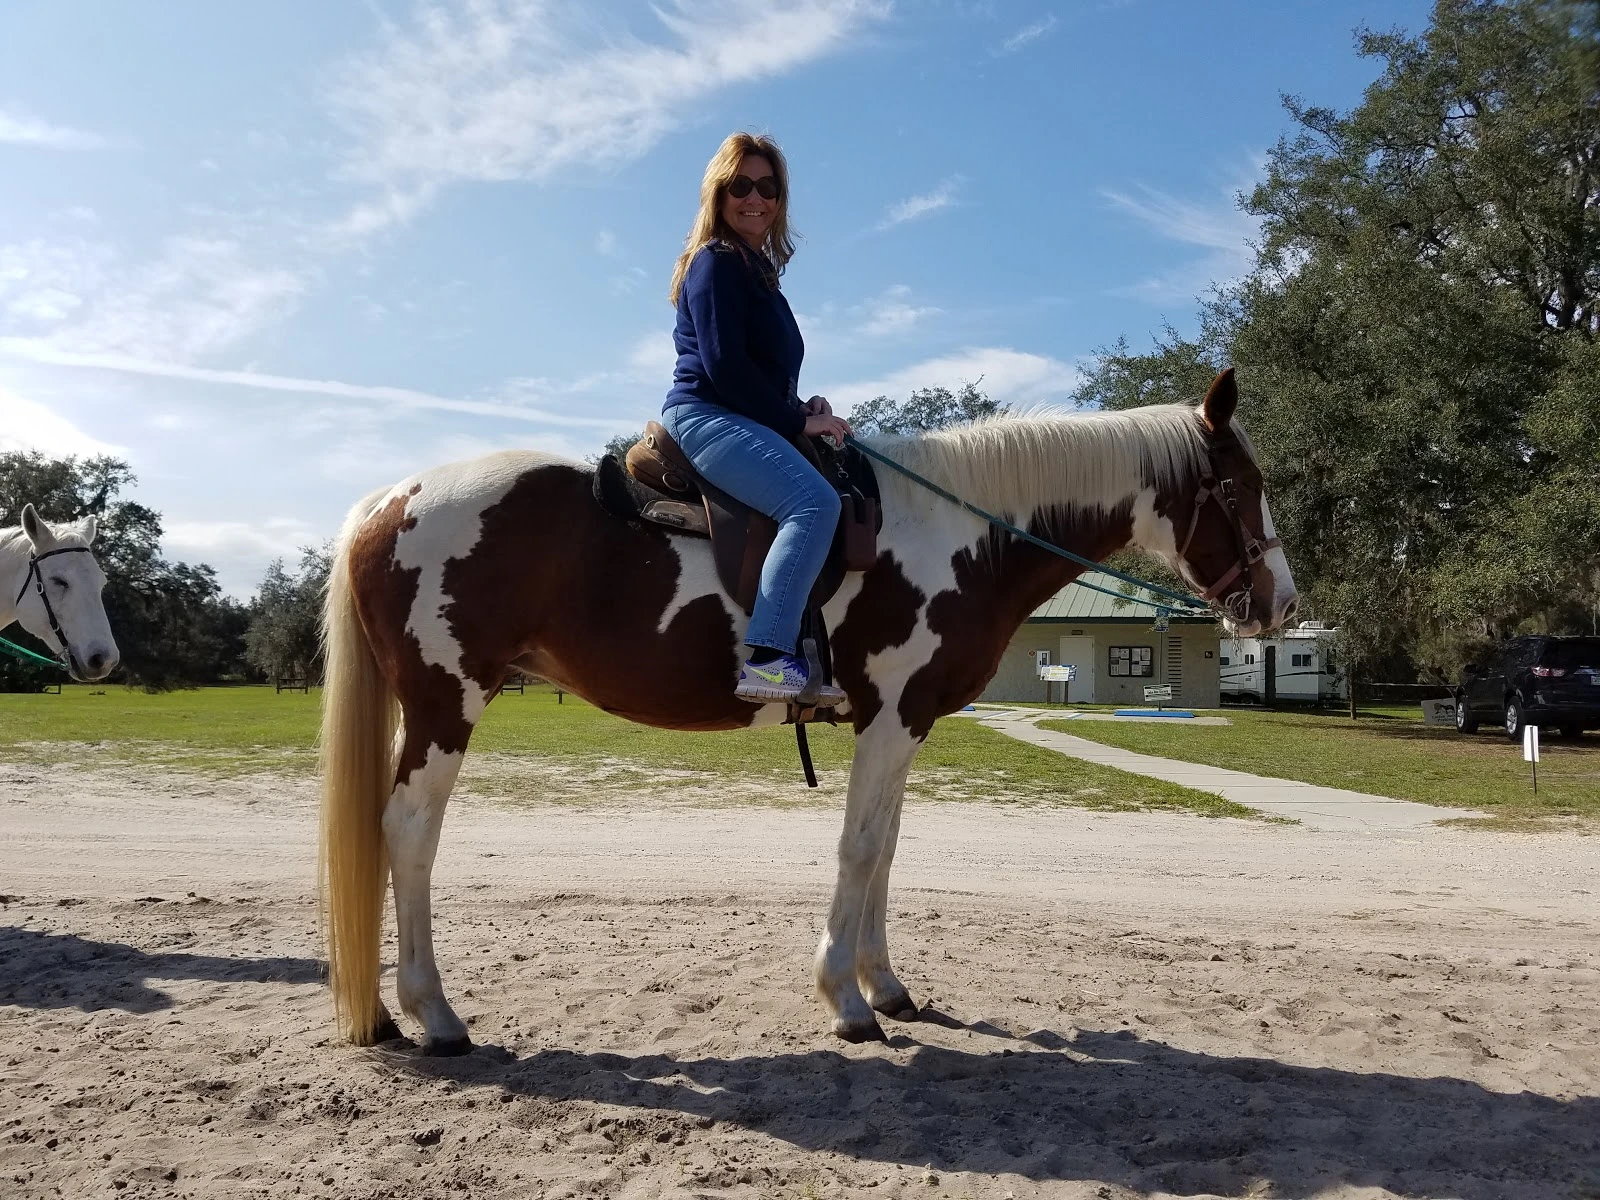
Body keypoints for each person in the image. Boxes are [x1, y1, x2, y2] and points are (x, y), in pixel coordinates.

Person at [663, 132, 851, 706]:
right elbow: (725, 367)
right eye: (741, 184)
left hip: (742, 415)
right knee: (815, 504)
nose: (755, 198)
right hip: (706, 414)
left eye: (767, 187)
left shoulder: (756, 271)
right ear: (719, 193)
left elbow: (760, 370)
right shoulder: (717, 262)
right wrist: (794, 420)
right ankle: (769, 660)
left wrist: (801, 405)